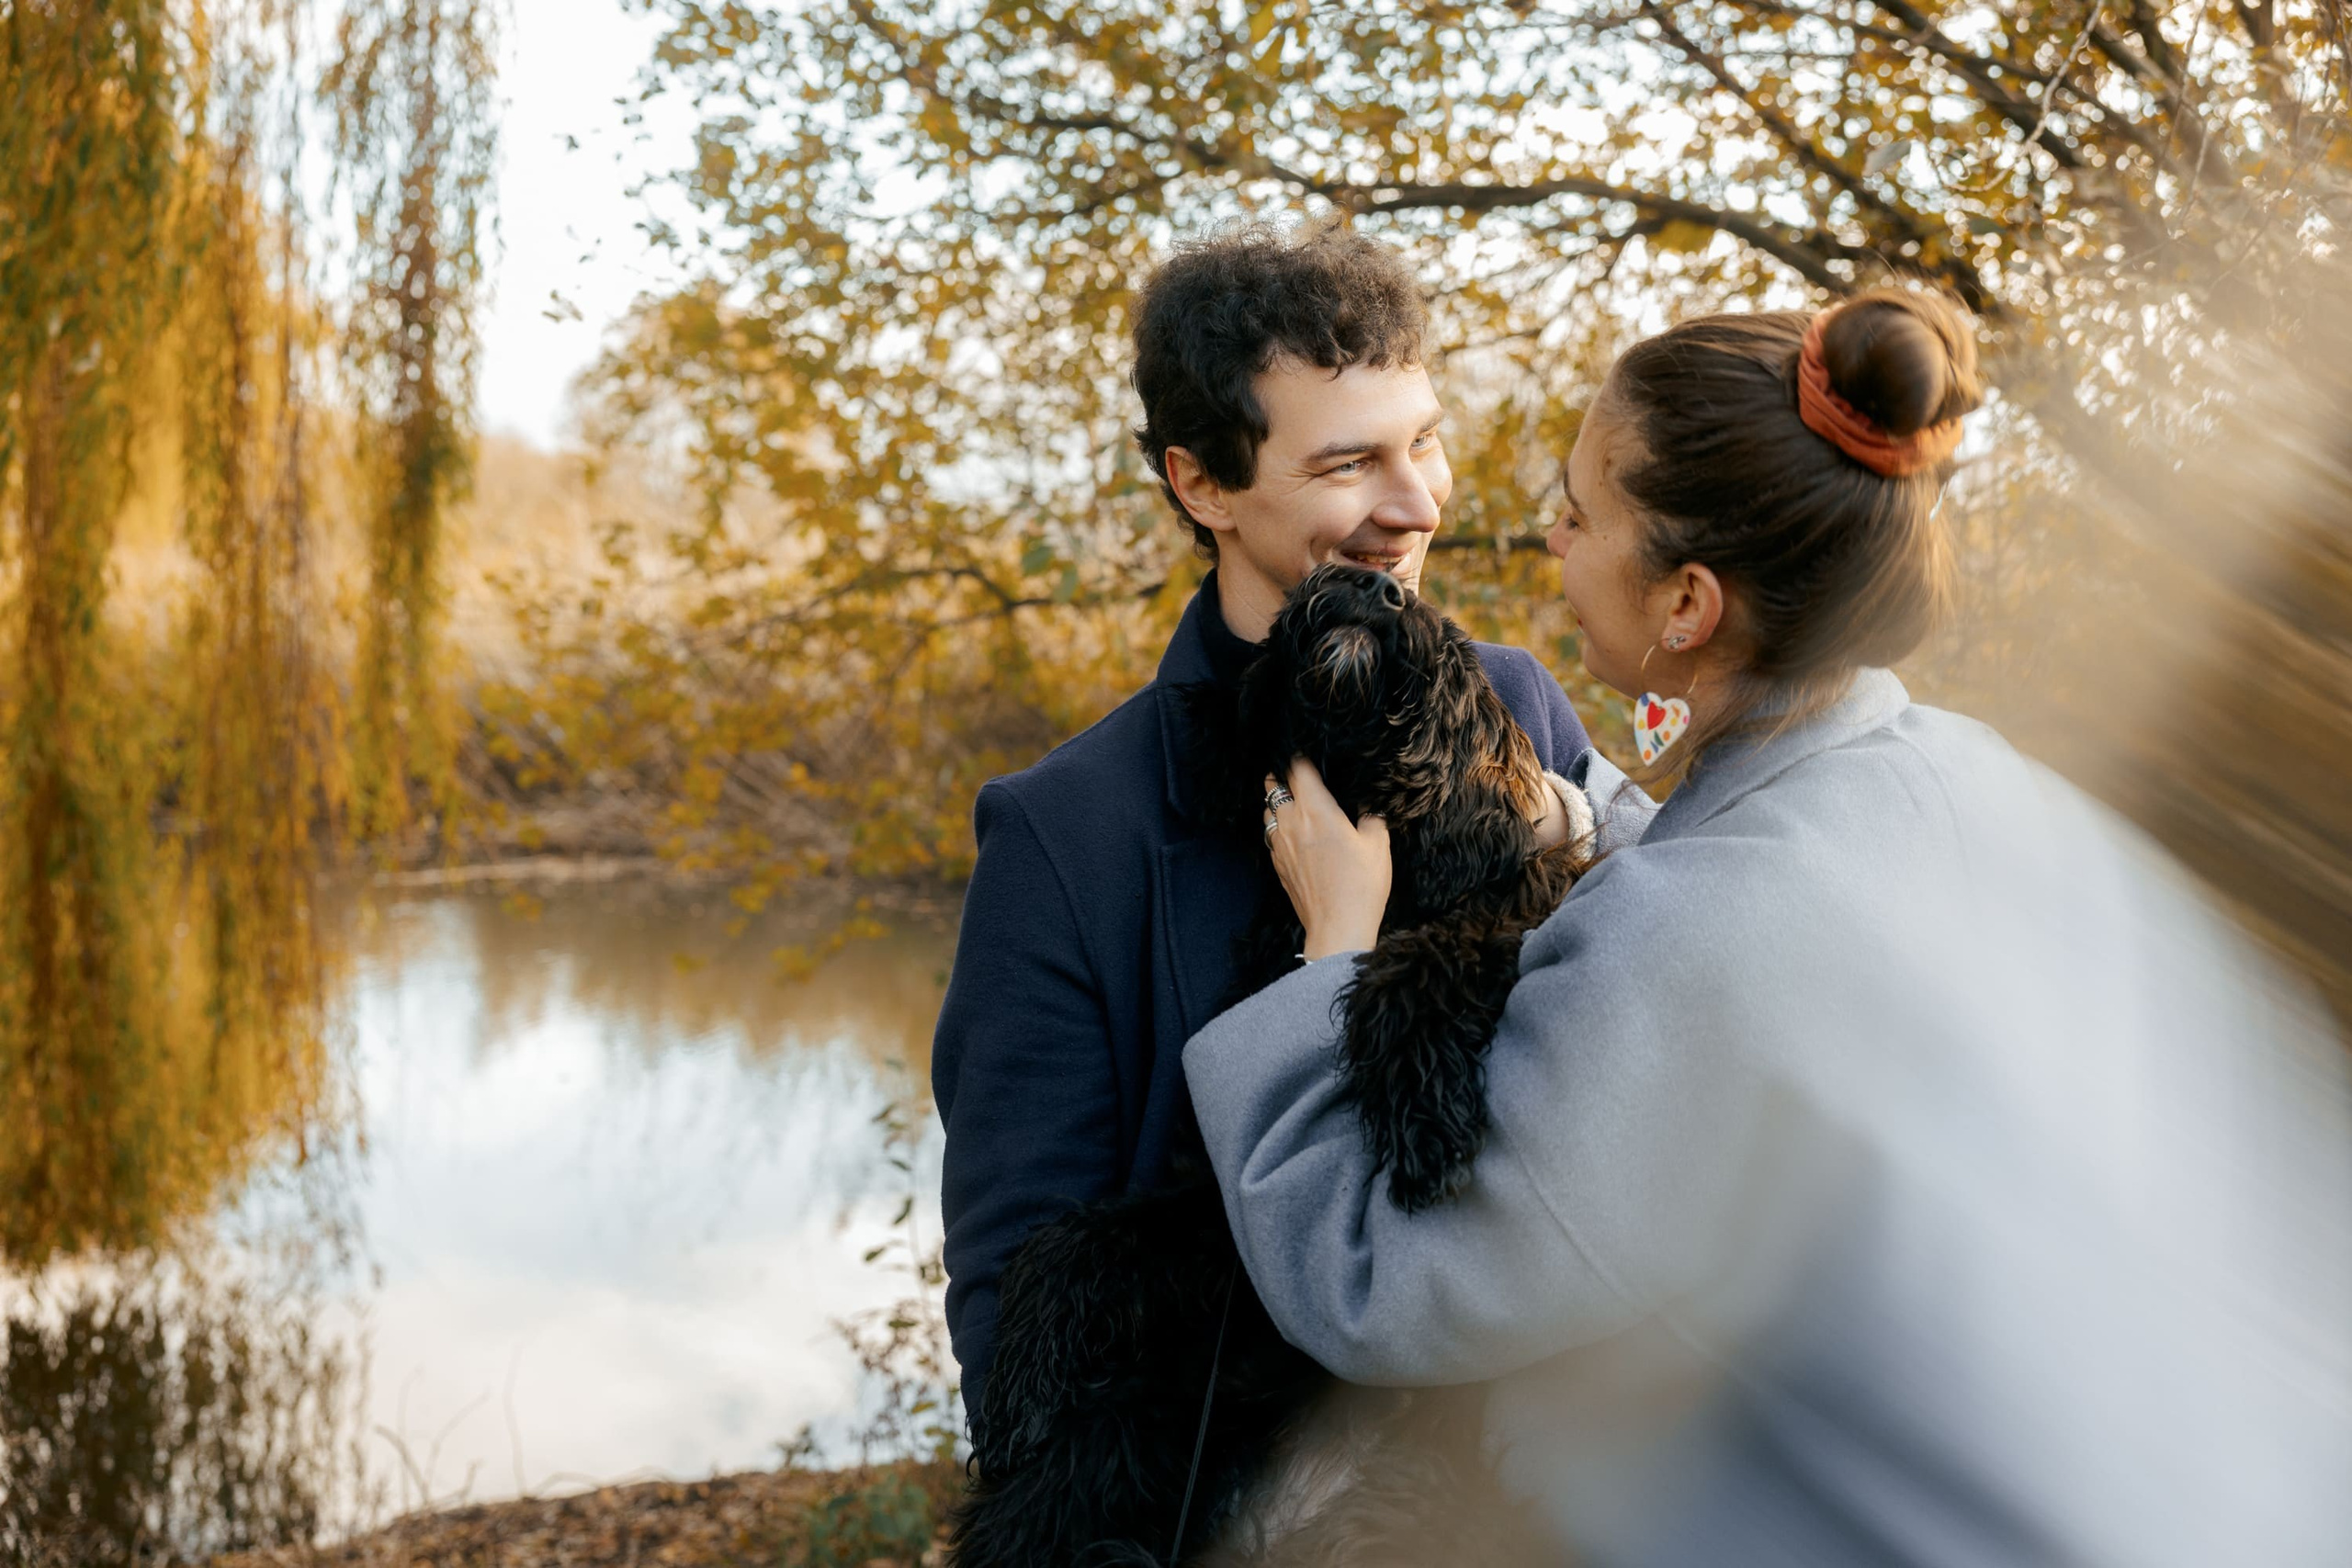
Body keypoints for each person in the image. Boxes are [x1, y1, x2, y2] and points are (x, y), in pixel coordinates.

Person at [1189, 290, 2352, 1564]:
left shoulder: (1705, 939)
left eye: (1579, 513)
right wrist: (1566, 816)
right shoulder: (1966, 778)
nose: (1548, 536)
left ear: (1686, 604)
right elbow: (1772, 902)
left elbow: (1385, 1289)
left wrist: (1337, 956)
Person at [930, 224, 1593, 1441]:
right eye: (1349, 465)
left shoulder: (1523, 709)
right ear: (1203, 485)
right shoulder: (1065, 832)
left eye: (1427, 444)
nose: (1418, 504)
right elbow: (1017, 1304)